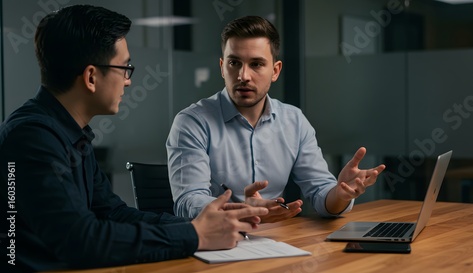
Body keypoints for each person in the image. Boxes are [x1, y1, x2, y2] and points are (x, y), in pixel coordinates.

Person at [0, 5, 268, 272]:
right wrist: (195, 236)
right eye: (125, 67)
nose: (128, 81)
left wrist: (202, 226)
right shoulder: (31, 138)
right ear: (91, 77)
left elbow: (113, 213)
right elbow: (80, 240)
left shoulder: (71, 134)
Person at [166, 15, 386, 223]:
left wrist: (340, 193)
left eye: (256, 64)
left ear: (275, 70)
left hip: (274, 241)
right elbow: (188, 202)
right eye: (234, 63)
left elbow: (321, 194)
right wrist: (246, 212)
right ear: (222, 68)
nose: (243, 76)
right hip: (214, 245)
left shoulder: (294, 121)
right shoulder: (192, 123)